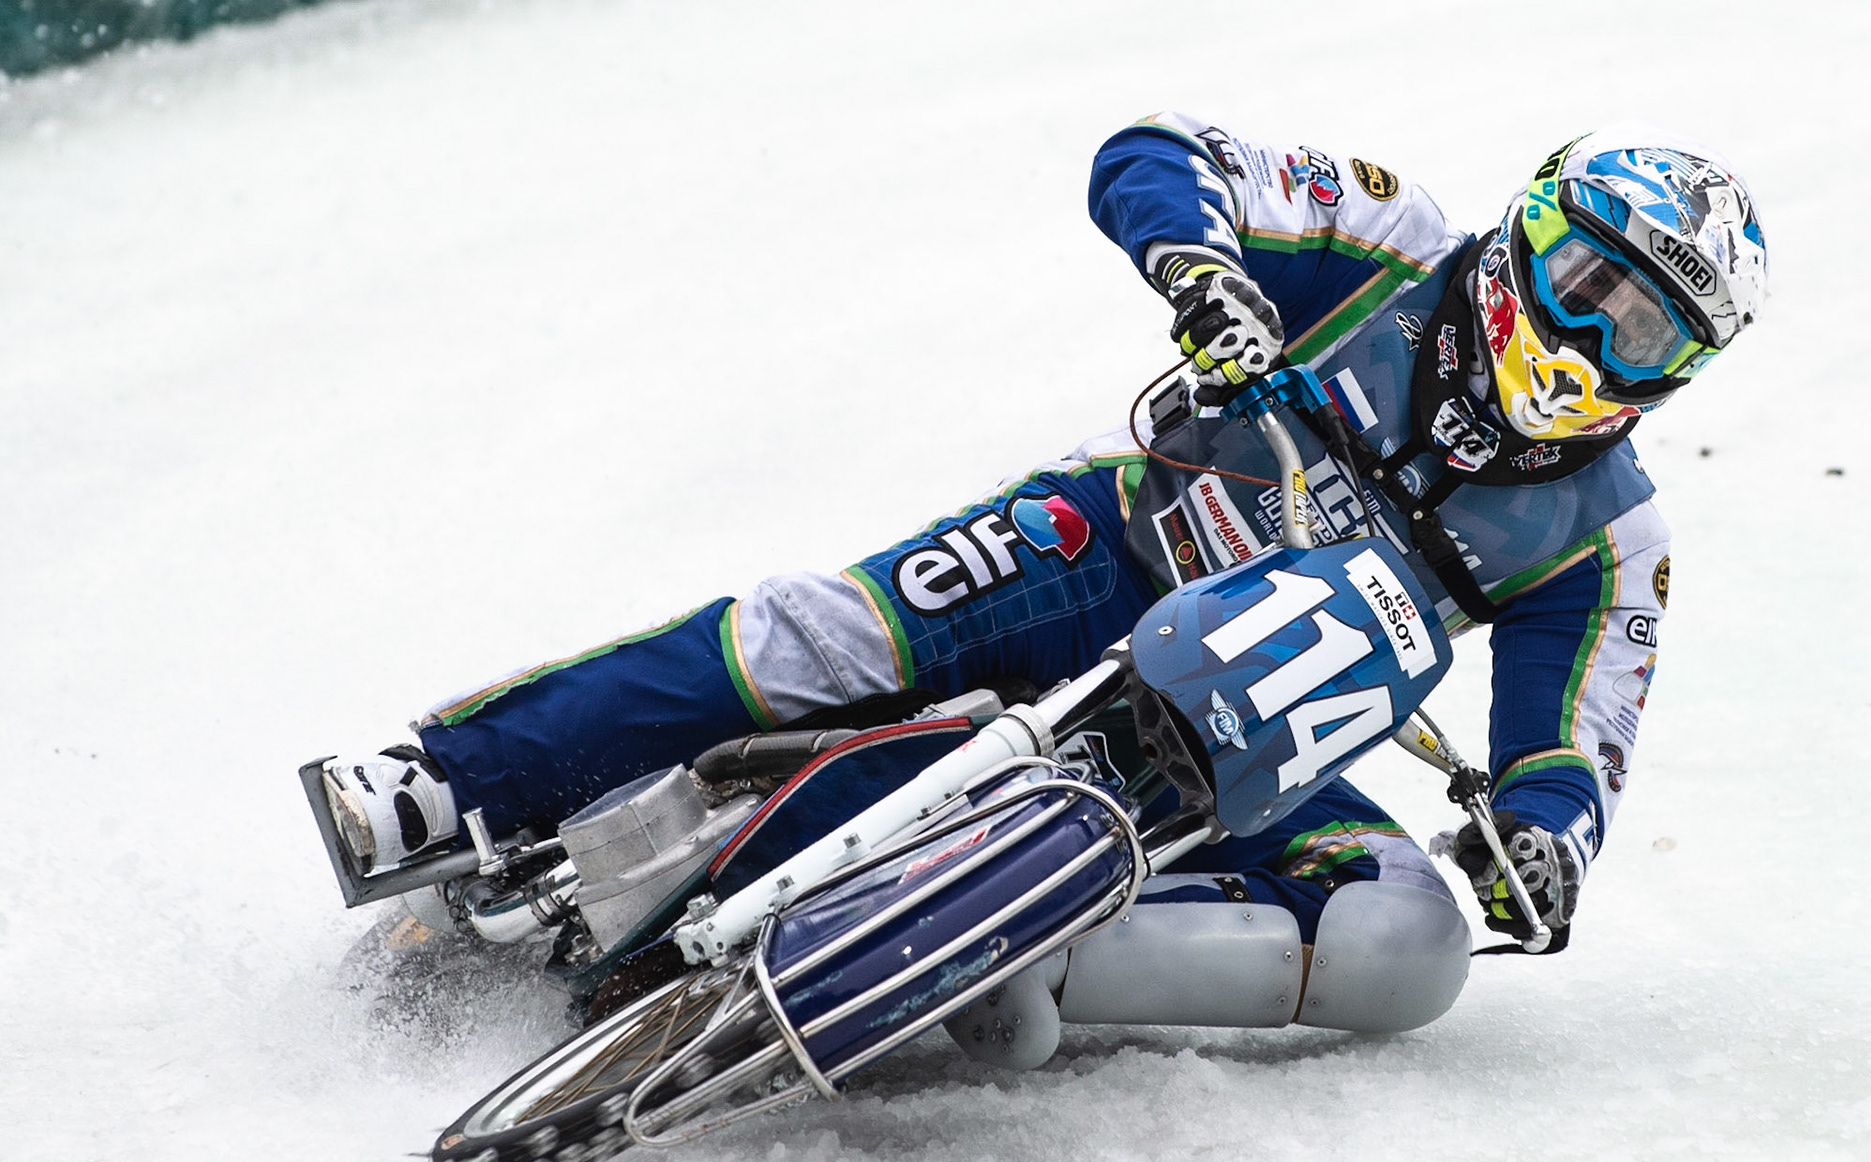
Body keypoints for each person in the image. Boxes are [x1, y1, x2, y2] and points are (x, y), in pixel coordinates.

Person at [309, 115, 1767, 1062]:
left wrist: (1545, 841)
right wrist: (1203, 271)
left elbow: (1577, 739)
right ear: (1526, 232)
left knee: (1410, 937)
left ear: (1680, 376)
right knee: (834, 632)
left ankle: (1027, 969)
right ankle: (454, 780)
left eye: (1646, 334)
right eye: (1588, 276)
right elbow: (1156, 154)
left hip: (1258, 750)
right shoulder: (1390, 242)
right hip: (1108, 549)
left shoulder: (1612, 537)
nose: (1593, 335)